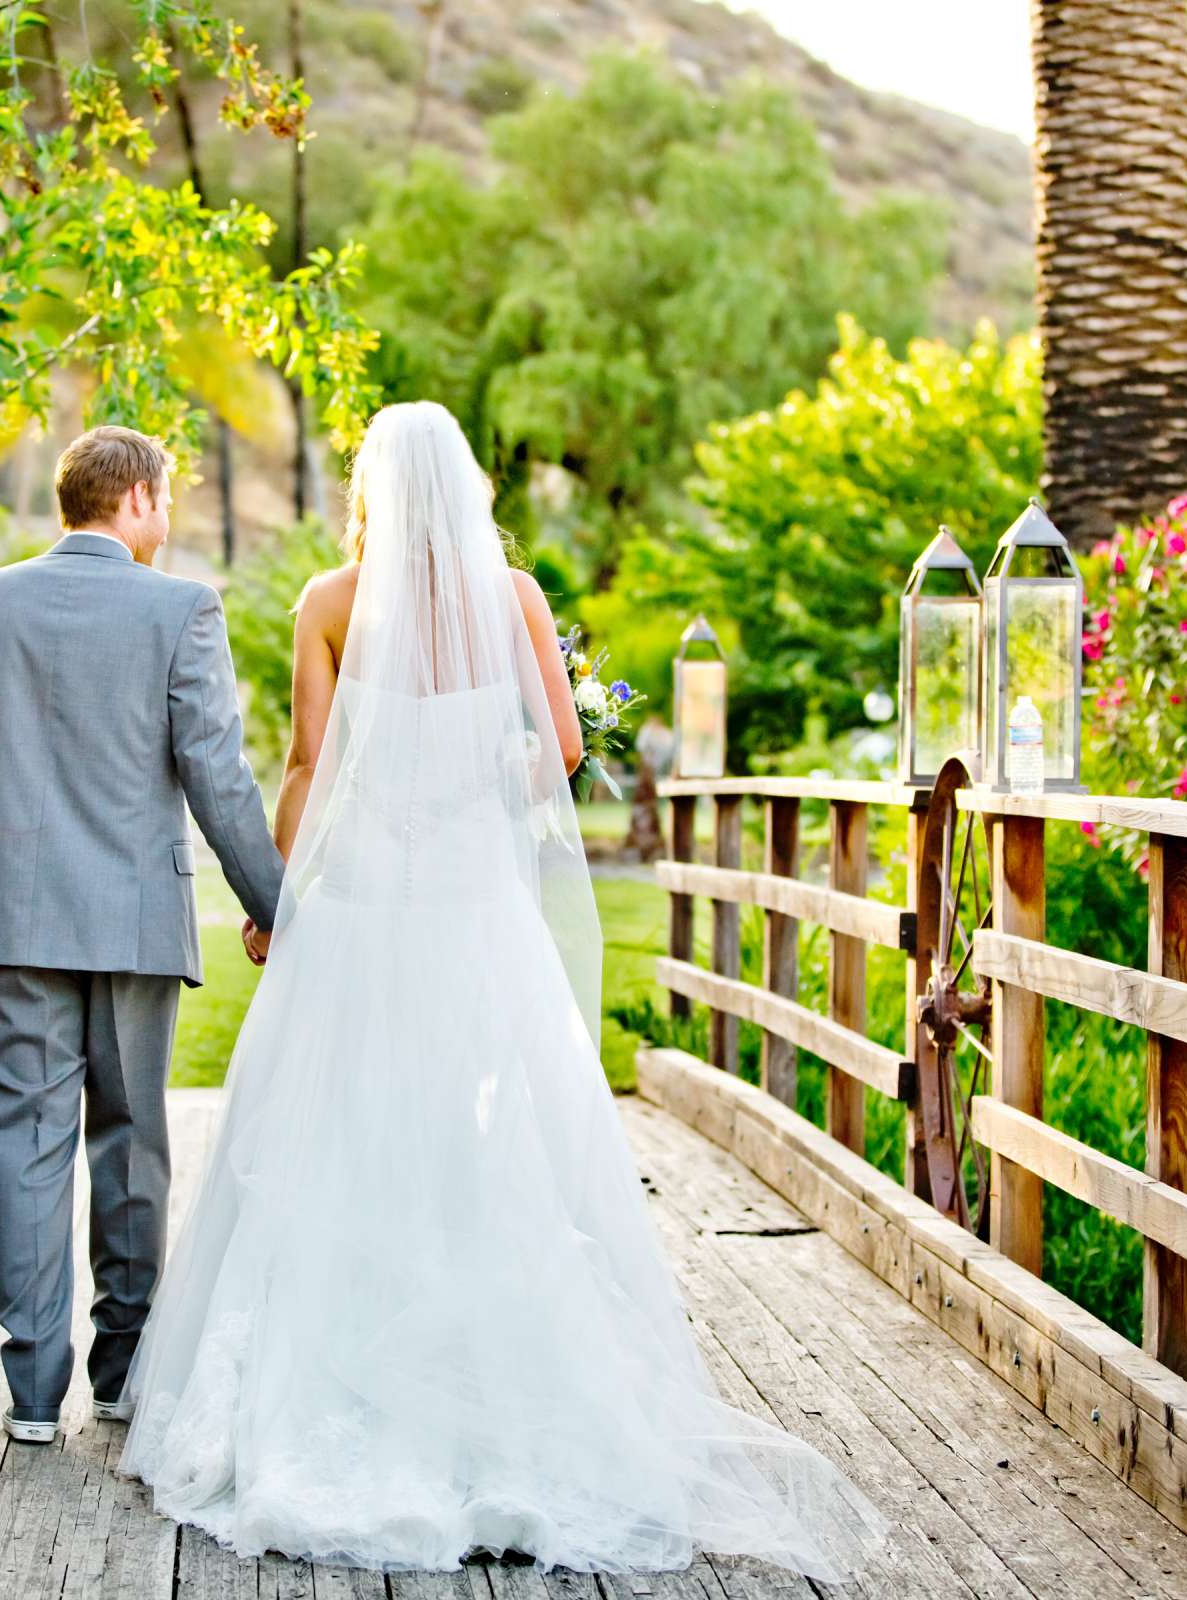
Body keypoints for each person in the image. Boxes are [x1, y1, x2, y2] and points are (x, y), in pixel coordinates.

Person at [116, 402, 885, 1580]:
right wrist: (482, 768)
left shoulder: (329, 602)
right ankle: (497, 1388)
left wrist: (276, 898)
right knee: (495, 1132)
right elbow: (563, 748)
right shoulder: (514, 600)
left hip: (368, 901)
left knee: (347, 1122)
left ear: (375, 484)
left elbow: (313, 764)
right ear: (466, 485)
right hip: (476, 904)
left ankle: (345, 1378)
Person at [0, 424, 283, 1443]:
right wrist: (276, 902)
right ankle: (123, 1372)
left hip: (10, 920)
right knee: (131, 1146)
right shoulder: (181, 609)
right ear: (131, 501)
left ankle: (32, 1391)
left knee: (21, 1146)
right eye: (164, 501)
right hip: (132, 924)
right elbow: (217, 774)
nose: (168, 521)